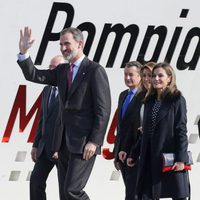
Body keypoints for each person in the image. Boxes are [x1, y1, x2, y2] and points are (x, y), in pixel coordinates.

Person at [17, 26, 111, 200]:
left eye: (67, 43)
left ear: (80, 44)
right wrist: (23, 52)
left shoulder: (94, 71)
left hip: (84, 144)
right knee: (64, 194)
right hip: (63, 144)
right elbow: (35, 75)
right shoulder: (62, 71)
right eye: (61, 44)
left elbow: (103, 110)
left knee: (72, 190)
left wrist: (94, 141)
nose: (63, 48)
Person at [127, 62, 190, 200]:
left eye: (160, 75)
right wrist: (134, 152)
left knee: (177, 195)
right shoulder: (149, 100)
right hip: (150, 158)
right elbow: (145, 132)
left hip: (169, 159)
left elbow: (181, 130)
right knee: (145, 195)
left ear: (169, 78)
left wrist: (181, 160)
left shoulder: (177, 99)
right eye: (154, 76)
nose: (156, 79)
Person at [30, 55, 66, 200]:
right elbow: (42, 119)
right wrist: (36, 144)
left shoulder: (69, 92)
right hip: (44, 148)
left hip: (62, 149)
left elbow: (69, 123)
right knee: (35, 182)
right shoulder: (47, 90)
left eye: (54, 68)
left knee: (64, 189)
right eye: (50, 67)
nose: (51, 70)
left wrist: (59, 147)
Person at [113, 61, 145, 200]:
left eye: (131, 75)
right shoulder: (123, 95)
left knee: (135, 194)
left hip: (136, 153)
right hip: (122, 155)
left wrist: (132, 151)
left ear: (140, 76)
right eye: (126, 74)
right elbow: (121, 128)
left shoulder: (145, 96)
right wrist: (116, 153)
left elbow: (138, 128)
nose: (127, 78)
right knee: (130, 192)